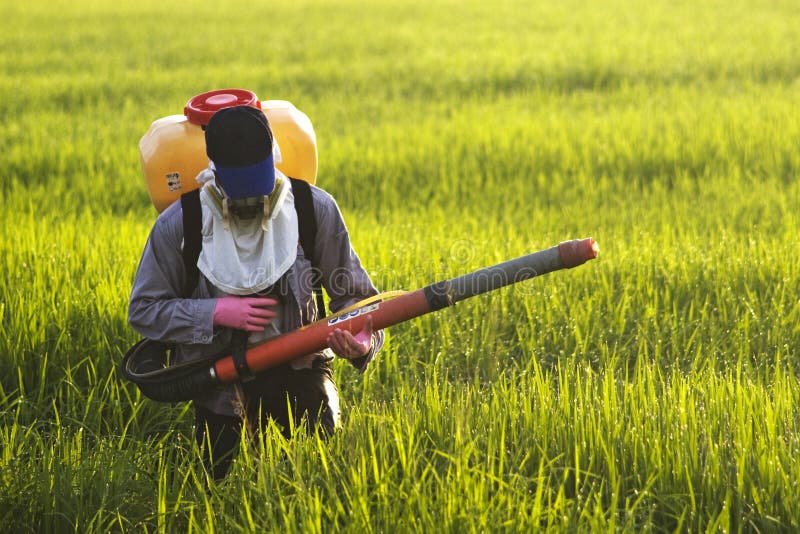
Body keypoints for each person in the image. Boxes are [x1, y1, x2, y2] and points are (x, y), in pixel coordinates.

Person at [128, 105, 383, 479]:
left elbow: (359, 299)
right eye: (241, 196)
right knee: (221, 486)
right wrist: (216, 312)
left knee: (320, 478)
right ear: (215, 174)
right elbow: (144, 309)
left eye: (258, 193)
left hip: (302, 371)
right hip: (221, 383)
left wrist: (363, 342)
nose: (252, 206)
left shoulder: (313, 210)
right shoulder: (182, 224)